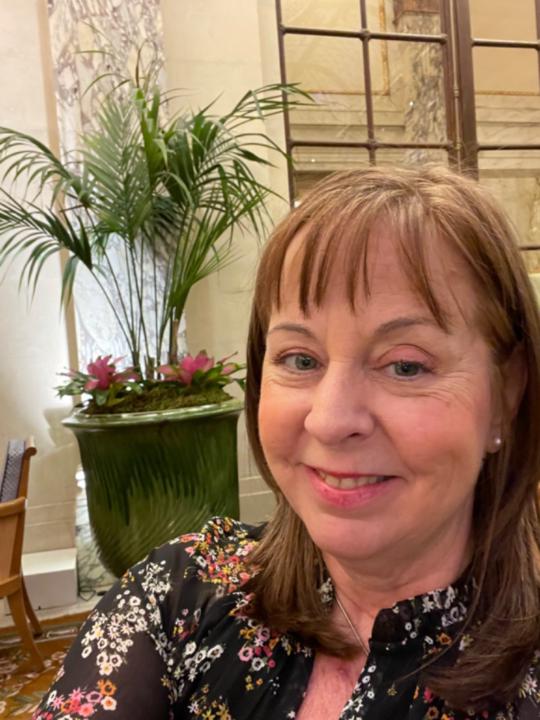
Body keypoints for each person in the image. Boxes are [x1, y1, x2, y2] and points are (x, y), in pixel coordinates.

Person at [33, 166, 540, 720]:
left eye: (405, 365)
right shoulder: (181, 592)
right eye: (300, 359)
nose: (329, 420)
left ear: (506, 394)